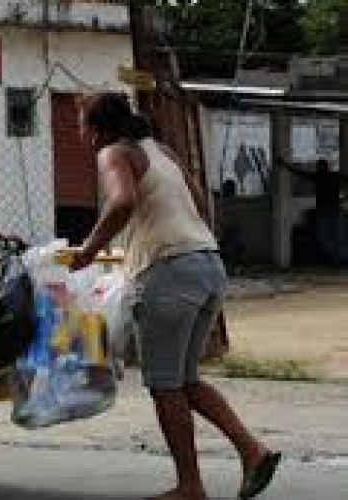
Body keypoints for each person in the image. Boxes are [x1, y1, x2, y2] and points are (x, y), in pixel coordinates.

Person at [72, 93, 280, 500]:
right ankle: (252, 450)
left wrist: (90, 250)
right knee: (184, 381)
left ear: (96, 129)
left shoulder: (113, 153)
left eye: (82, 124)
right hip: (207, 266)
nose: (80, 133)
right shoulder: (161, 151)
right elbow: (198, 201)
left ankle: (190, 486)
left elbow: (123, 201)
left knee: (164, 385)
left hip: (167, 274)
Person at [284, 158, 346, 266]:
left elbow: (299, 172)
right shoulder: (334, 176)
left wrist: (284, 165)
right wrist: (344, 199)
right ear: (327, 167)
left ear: (319, 167)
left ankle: (337, 259)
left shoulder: (319, 176)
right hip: (335, 211)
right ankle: (338, 259)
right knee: (337, 239)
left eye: (318, 167)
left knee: (324, 238)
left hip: (324, 212)